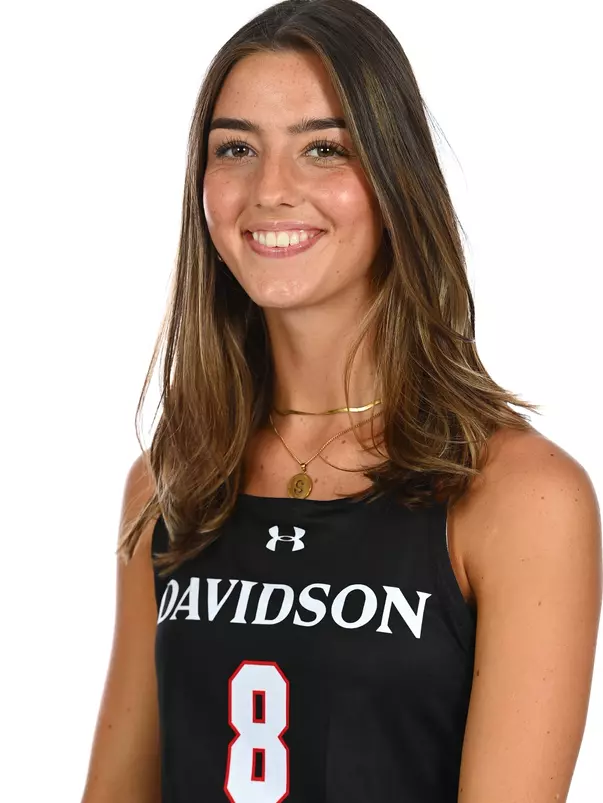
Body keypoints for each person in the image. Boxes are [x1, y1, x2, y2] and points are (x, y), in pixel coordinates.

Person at [81, 1, 602, 801]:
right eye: (235, 149)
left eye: (324, 148)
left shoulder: (521, 497)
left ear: (397, 180)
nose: (271, 190)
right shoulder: (169, 484)